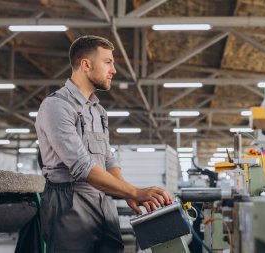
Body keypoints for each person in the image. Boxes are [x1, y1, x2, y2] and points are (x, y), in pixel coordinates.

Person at [35, 35, 172, 253]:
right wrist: (135, 192)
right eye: (108, 62)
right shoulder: (56, 107)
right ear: (86, 65)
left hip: (100, 199)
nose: (114, 70)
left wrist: (127, 194)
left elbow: (107, 159)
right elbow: (83, 167)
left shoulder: (97, 110)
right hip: (68, 203)